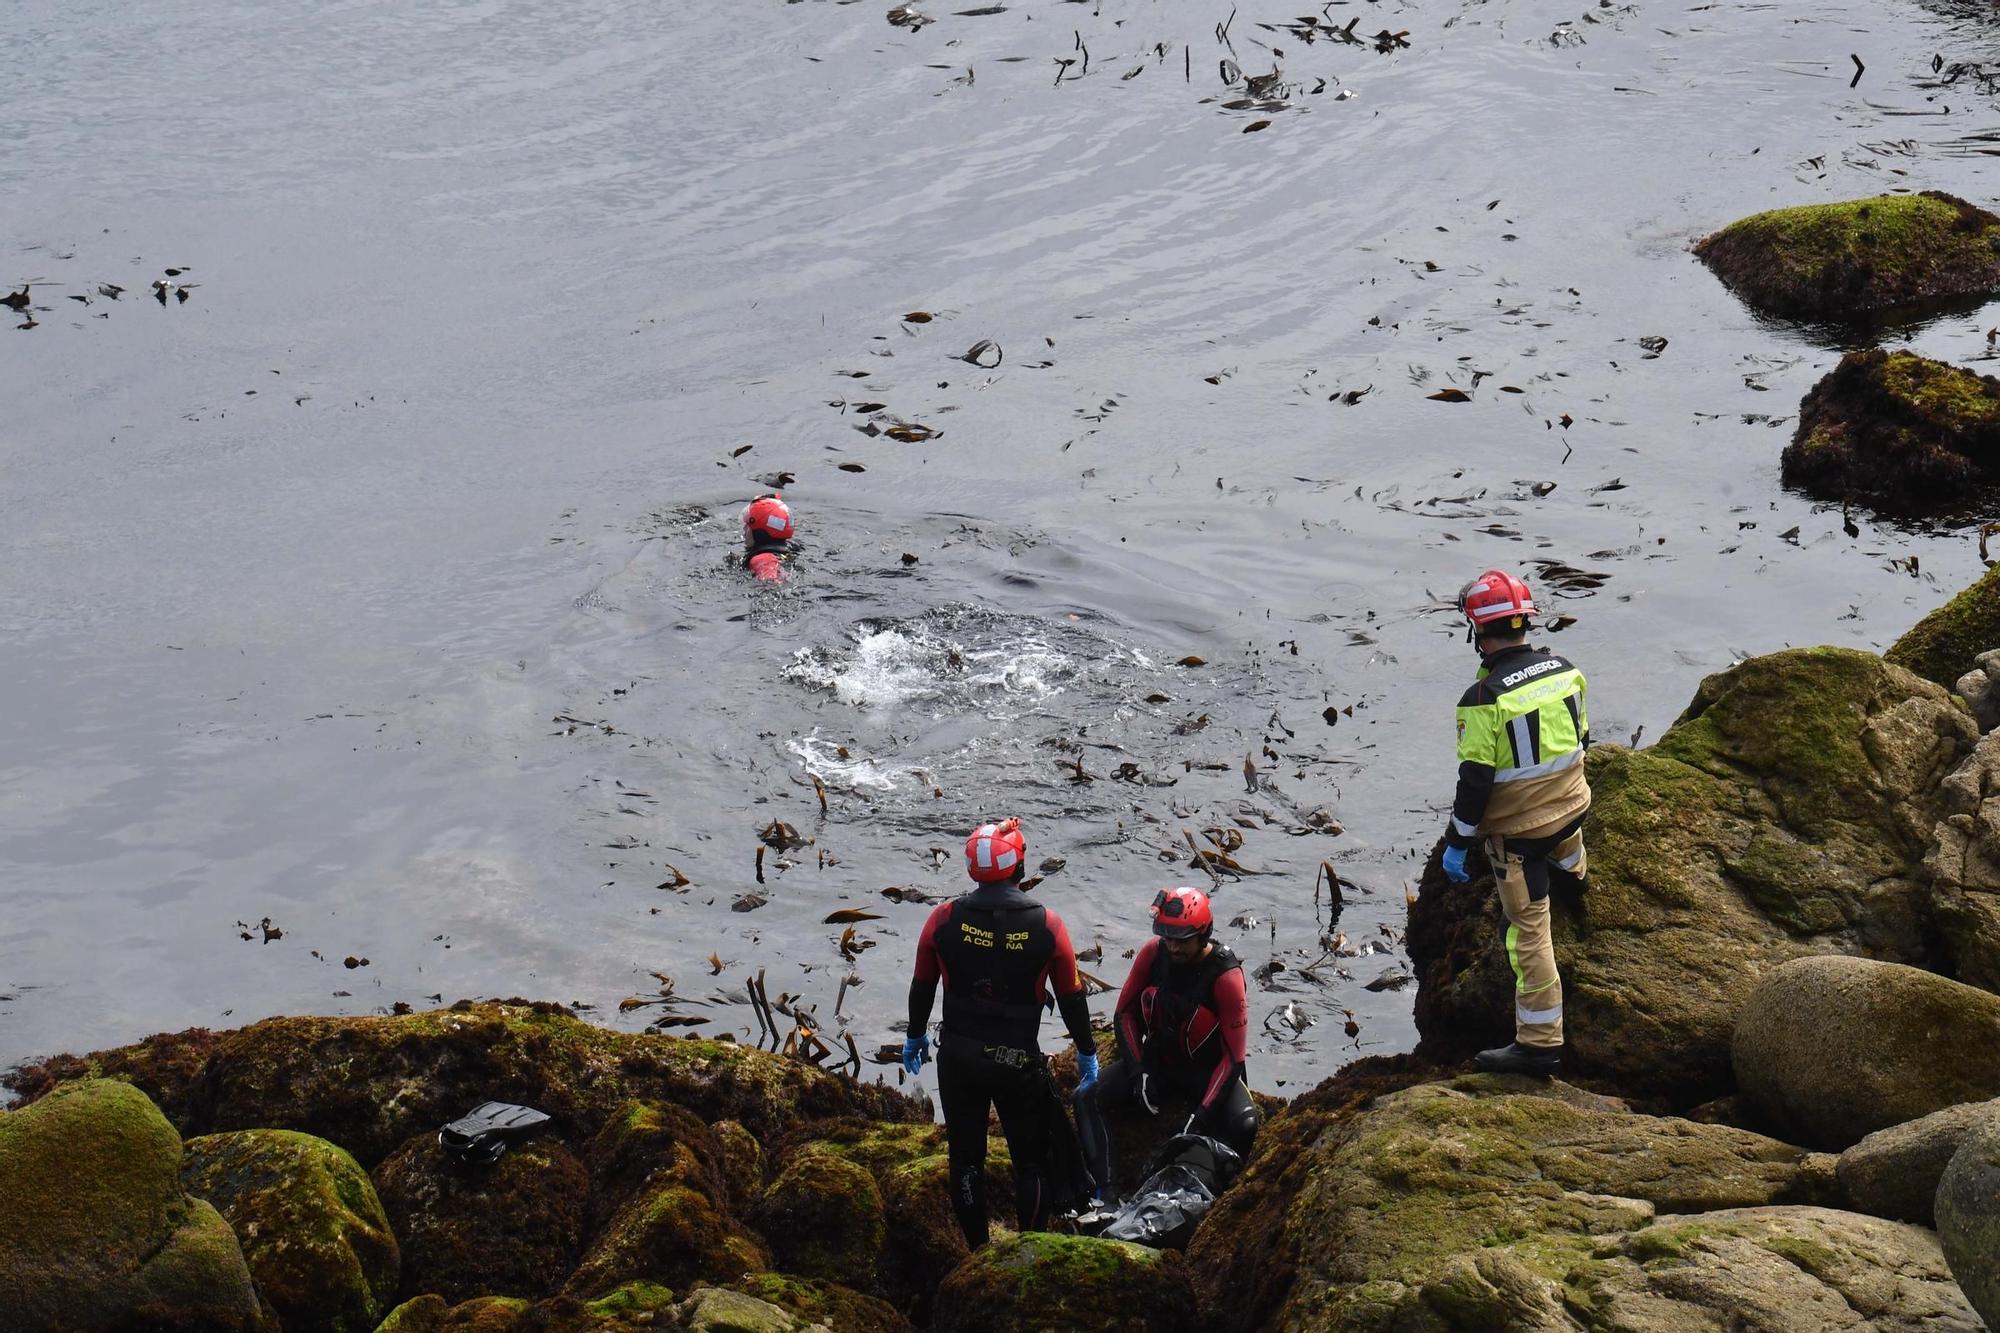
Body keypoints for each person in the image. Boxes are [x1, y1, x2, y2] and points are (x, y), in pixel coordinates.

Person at [903, 818, 1099, 1247]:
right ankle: (1028, 1248)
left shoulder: (942, 919)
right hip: (1017, 1063)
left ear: (972, 868)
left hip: (958, 1059)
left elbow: (922, 984)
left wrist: (915, 1035)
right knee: (1030, 1162)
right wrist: (1087, 1051)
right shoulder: (1048, 925)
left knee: (966, 1160)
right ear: (1020, 865)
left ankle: (978, 1250)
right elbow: (1071, 996)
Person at [1439, 568, 1591, 1077]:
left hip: (1521, 835)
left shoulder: (1482, 700)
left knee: (1527, 930)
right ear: (1525, 623)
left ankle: (1540, 1041)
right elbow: (1580, 741)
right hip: (1573, 805)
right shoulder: (1566, 670)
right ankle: (1576, 874)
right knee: (1563, 826)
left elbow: (1476, 782)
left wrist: (1457, 842)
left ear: (1478, 632)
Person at [1075, 887, 1259, 1197]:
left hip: (1206, 1072)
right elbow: (1125, 1015)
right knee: (1087, 1098)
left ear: (1203, 934)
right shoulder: (1153, 953)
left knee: (1245, 1124)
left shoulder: (1226, 975)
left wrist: (1199, 1118)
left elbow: (1233, 1058)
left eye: (1182, 939)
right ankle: (1105, 1194)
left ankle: (1213, 1195)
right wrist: (1139, 1073)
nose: (1173, 947)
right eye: (1167, 937)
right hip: (1158, 1063)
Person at [740, 493, 796, 582]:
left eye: (748, 525)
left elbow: (770, 585)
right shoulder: (790, 549)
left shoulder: (763, 559)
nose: (744, 529)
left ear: (760, 532)